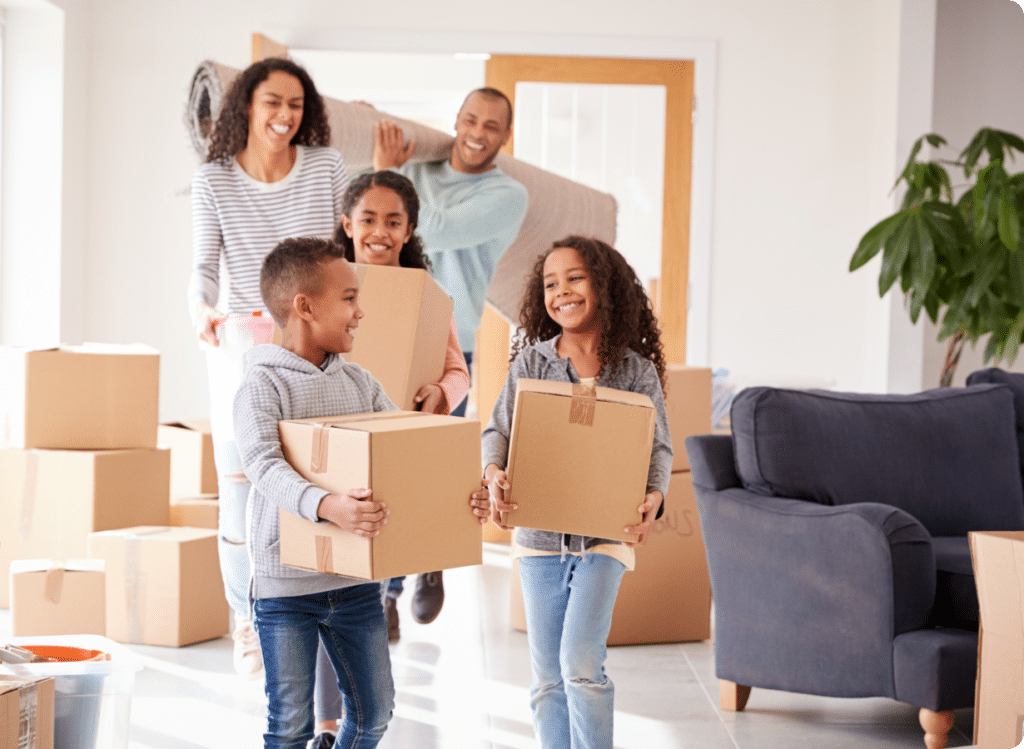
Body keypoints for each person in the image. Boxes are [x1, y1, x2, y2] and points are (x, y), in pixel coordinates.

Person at [233, 237, 491, 749]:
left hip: (354, 582)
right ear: (303, 307)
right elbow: (262, 464)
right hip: (286, 586)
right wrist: (329, 507)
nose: (360, 312)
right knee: (289, 726)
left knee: (374, 715)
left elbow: (403, 457)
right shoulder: (262, 385)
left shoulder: (361, 383)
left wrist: (464, 497)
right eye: (349, 298)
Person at [188, 57, 348, 676]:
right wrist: (200, 305)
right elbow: (204, 265)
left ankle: (318, 618)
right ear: (245, 108)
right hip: (240, 350)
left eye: (296, 106)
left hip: (313, 349)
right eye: (272, 103)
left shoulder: (326, 167)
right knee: (241, 496)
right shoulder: (214, 181)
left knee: (313, 484)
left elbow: (346, 251)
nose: (285, 116)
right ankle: (247, 622)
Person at [481, 236, 673, 749]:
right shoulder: (531, 365)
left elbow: (658, 449)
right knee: (547, 681)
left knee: (580, 664)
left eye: (574, 278)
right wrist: (494, 469)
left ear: (604, 287)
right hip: (540, 540)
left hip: (604, 539)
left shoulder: (636, 372)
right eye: (550, 283)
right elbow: (497, 430)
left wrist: (655, 496)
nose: (561, 291)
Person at [303, 171, 472, 746]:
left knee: (366, 594)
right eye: (368, 219)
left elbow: (457, 368)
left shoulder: (426, 295)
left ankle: (359, 718)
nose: (379, 232)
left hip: (397, 450)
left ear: (409, 229)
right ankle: (328, 726)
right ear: (347, 224)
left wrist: (442, 394)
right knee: (330, 588)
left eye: (393, 221)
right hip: (336, 452)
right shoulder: (321, 285)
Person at [371, 86, 529, 622]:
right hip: (389, 329)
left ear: (505, 136)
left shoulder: (508, 196)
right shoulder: (417, 169)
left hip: (449, 340)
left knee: (428, 470)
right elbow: (368, 217)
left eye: (491, 126)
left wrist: (392, 172)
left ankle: (429, 561)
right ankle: (387, 597)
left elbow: (433, 228)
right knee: (383, 468)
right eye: (469, 120)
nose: (477, 133)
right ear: (457, 120)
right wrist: (390, 167)